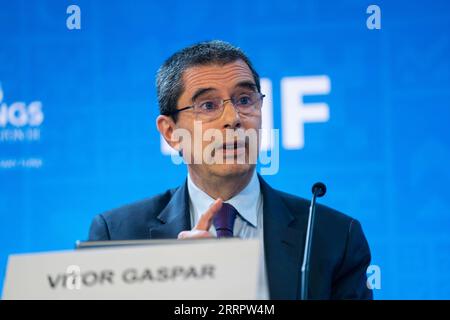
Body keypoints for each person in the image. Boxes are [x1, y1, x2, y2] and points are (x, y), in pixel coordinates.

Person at [88, 40, 373, 300]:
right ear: (171, 132)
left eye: (245, 100)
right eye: (208, 105)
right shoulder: (119, 236)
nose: (233, 119)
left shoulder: (334, 237)